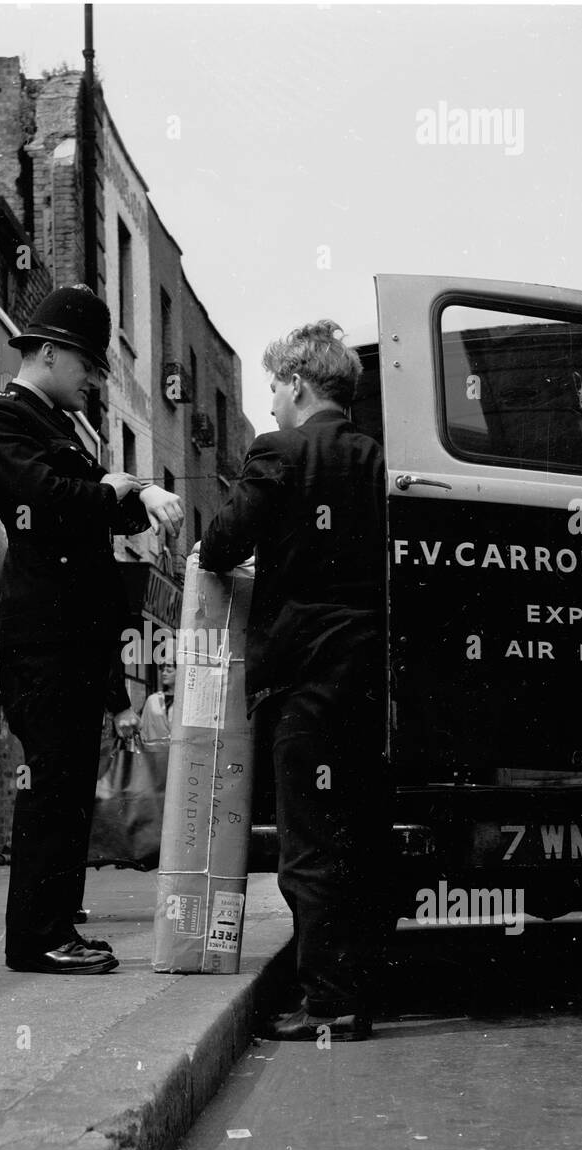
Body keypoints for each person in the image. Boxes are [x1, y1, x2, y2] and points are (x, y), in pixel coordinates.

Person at [0, 285, 183, 974]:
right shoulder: (5, 421)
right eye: (88, 366)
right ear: (53, 353)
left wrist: (139, 491)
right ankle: (36, 937)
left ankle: (57, 925)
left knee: (67, 798)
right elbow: (49, 500)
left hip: (72, 643)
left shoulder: (53, 427)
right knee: (50, 792)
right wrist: (121, 490)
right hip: (42, 644)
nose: (94, 380)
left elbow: (104, 499)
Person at [199, 320, 387, 1040]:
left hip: (302, 677)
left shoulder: (278, 452)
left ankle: (327, 1004)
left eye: (276, 385)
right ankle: (359, 991)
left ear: (299, 385)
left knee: (308, 841)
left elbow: (222, 543)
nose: (272, 399)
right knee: (361, 834)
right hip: (367, 676)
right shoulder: (375, 462)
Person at [0, 547, 121, 950]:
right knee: (62, 800)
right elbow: (102, 629)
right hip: (62, 685)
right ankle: (50, 925)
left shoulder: (2, 561)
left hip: (23, 689)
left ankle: (59, 923)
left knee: (53, 797)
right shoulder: (55, 556)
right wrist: (117, 703)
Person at [138, 663, 176, 743]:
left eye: (169, 671)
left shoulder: (186, 702)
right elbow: (143, 729)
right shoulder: (152, 700)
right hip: (154, 751)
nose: (164, 673)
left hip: (179, 752)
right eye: (163, 670)